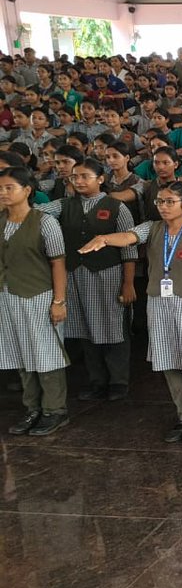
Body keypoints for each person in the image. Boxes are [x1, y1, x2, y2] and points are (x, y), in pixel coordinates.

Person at [80, 179, 182, 442]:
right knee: (169, 361)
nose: (164, 207)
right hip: (159, 302)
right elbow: (130, 236)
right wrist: (105, 238)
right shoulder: (153, 228)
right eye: (160, 201)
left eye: (170, 202)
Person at [36, 158, 137, 402]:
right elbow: (34, 214)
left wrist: (128, 282)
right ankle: (97, 380)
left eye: (84, 176)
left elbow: (129, 249)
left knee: (113, 327)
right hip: (75, 274)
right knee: (84, 327)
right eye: (74, 177)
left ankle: (118, 381)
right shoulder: (63, 205)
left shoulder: (115, 206)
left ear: (100, 179)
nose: (78, 181)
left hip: (108, 274)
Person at [1, 167, 71, 437]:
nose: (4, 193)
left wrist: (59, 300)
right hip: (8, 295)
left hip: (38, 295)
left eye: (9, 188)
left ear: (27, 191)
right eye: (0, 188)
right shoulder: (2, 220)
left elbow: (57, 263)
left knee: (45, 352)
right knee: (20, 351)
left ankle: (55, 409)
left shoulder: (44, 222)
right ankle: (33, 408)